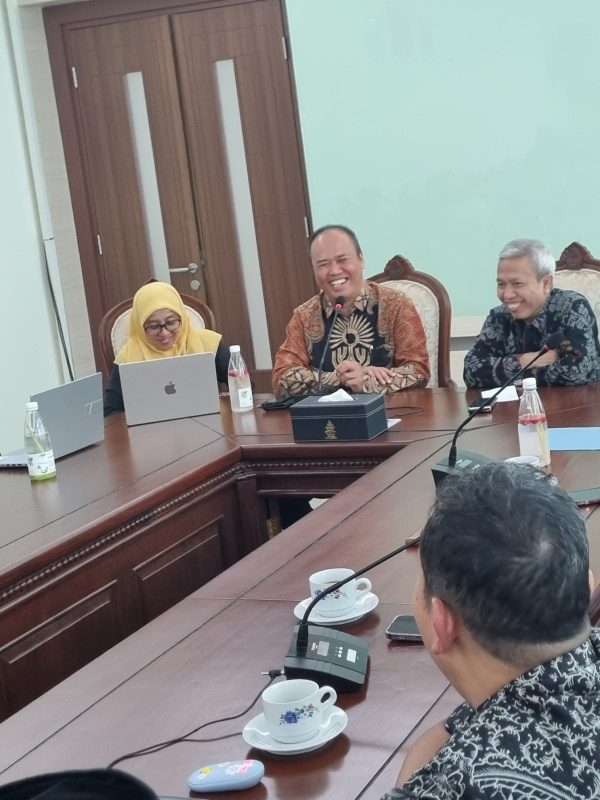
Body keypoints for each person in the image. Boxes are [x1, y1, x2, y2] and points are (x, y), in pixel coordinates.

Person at [382, 462, 599, 799]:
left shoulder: (454, 788)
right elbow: (452, 729)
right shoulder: (555, 676)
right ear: (587, 585)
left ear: (442, 623)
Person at [272, 225, 430, 398]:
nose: (334, 271)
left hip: (390, 410)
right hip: (327, 413)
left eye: (342, 260)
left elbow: (418, 371)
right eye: (323, 264)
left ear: (361, 260)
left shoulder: (396, 305)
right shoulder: (304, 316)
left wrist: (367, 380)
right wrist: (339, 378)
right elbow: (281, 380)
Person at [464, 238, 600, 387]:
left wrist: (504, 371)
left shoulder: (571, 307)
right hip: (515, 402)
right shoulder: (499, 317)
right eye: (501, 284)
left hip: (576, 401)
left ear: (546, 283)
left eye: (517, 284)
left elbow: (576, 373)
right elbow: (471, 372)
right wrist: (527, 360)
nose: (507, 295)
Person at [103, 282, 229, 416]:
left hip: (208, 422)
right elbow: (110, 411)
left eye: (171, 323)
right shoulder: (127, 358)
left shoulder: (208, 344)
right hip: (150, 428)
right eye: (153, 326)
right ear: (140, 327)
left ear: (182, 318)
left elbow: (241, 385)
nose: (164, 333)